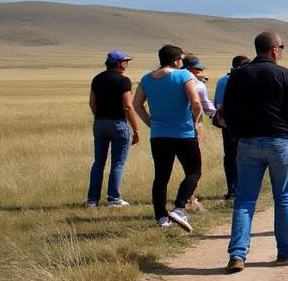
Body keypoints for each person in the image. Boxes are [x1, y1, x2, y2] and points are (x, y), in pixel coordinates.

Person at [222, 31, 288, 273]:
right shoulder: (285, 75)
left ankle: (237, 255)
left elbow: (228, 112)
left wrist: (237, 134)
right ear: (274, 50)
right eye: (282, 47)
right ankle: (284, 250)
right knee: (283, 198)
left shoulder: (238, 76)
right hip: (279, 142)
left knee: (245, 200)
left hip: (247, 144)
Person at [132, 44, 202, 232]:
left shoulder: (147, 79)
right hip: (183, 133)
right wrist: (195, 121)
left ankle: (161, 218)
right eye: (181, 59)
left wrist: (151, 123)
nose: (182, 62)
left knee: (161, 177)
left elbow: (136, 104)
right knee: (194, 171)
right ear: (175, 60)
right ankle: (179, 207)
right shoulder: (184, 75)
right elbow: (195, 102)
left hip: (159, 135)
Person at [85, 49, 141, 207]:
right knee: (117, 163)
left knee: (98, 162)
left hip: (100, 123)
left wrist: (101, 115)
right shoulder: (123, 81)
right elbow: (128, 106)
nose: (127, 64)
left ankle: (92, 200)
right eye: (125, 61)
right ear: (118, 64)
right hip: (118, 123)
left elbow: (92, 103)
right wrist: (136, 130)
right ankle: (113, 198)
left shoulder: (97, 79)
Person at [181, 54, 217, 213]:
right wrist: (217, 116)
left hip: (169, 128)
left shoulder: (172, 80)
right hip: (193, 125)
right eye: (198, 69)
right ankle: (189, 199)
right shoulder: (198, 85)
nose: (200, 72)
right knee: (194, 166)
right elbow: (205, 105)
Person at [213, 55, 250, 200]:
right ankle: (245, 188)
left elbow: (218, 105)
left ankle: (232, 189)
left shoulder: (223, 81)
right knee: (247, 157)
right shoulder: (249, 79)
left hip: (227, 125)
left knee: (230, 157)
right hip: (247, 125)